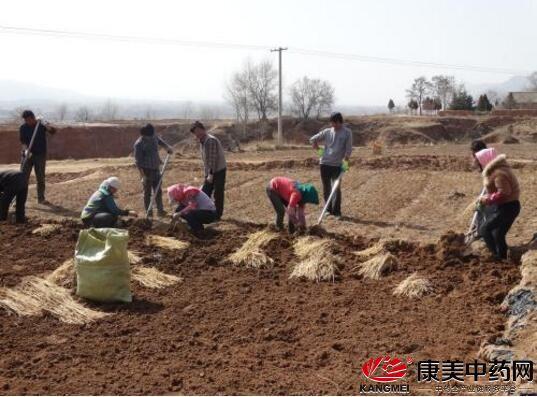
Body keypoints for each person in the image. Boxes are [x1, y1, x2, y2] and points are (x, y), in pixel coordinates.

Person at [474, 148, 520, 260]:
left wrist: (488, 199)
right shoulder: (500, 169)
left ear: (485, 160)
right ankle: (502, 258)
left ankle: (496, 256)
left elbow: (504, 192)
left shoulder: (498, 173)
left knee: (484, 229)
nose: (477, 164)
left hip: (507, 207)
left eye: (478, 161)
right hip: (511, 206)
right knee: (498, 235)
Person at [309, 112, 352, 218]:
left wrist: (346, 162)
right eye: (332, 123)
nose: (333, 125)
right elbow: (312, 139)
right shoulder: (327, 131)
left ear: (340, 121)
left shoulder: (347, 133)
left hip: (337, 165)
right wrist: (319, 151)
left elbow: (348, 149)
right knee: (326, 188)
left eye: (335, 123)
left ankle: (337, 212)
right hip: (324, 164)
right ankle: (328, 210)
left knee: (336, 188)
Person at [133, 123, 173, 218]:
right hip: (146, 171)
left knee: (158, 191)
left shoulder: (153, 137)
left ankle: (160, 211)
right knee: (147, 193)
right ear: (143, 135)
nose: (151, 137)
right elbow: (138, 162)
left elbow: (160, 142)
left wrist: (167, 147)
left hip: (156, 169)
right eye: (148, 136)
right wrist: (143, 176)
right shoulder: (139, 144)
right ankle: (149, 213)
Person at [190, 121, 227, 220]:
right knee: (205, 192)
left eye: (198, 131)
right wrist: (207, 174)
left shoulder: (210, 140)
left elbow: (212, 159)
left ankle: (217, 215)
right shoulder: (203, 141)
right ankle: (205, 213)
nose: (197, 134)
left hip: (218, 170)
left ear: (203, 129)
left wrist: (210, 174)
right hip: (210, 171)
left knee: (218, 193)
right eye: (195, 132)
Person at [19, 110, 56, 204]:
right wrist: (25, 151)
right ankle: (20, 200)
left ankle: (41, 199)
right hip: (27, 155)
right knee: (22, 177)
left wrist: (45, 123)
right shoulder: (23, 128)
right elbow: (23, 142)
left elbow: (53, 131)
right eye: (25, 120)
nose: (27, 122)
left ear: (33, 118)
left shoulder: (41, 125)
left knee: (40, 177)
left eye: (28, 120)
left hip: (40, 155)